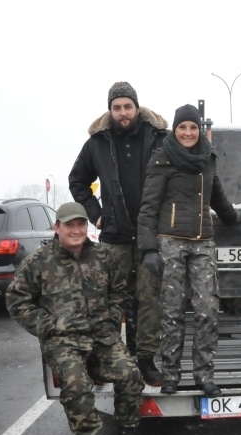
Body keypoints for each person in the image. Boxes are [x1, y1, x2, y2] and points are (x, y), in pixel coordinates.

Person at [5, 202, 149, 435]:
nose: (76, 230)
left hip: (101, 338)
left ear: (87, 227)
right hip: (64, 343)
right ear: (56, 227)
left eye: (80, 224)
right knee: (77, 387)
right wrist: (46, 326)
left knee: (131, 376)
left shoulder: (104, 256)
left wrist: (110, 318)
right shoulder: (39, 261)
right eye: (69, 225)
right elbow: (16, 300)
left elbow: (120, 291)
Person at [68, 81, 168, 387]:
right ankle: (110, 358)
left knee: (148, 299)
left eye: (127, 106)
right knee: (110, 300)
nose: (123, 113)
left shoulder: (159, 137)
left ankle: (146, 360)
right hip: (115, 235)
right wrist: (96, 214)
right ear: (109, 110)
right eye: (116, 107)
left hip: (151, 235)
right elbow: (77, 180)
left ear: (137, 107)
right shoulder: (97, 142)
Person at [137, 104, 239, 398]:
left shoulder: (208, 158)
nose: (188, 132)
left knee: (208, 309)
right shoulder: (163, 159)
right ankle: (170, 374)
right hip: (170, 241)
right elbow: (148, 206)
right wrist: (148, 249)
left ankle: (203, 375)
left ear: (199, 130)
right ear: (175, 130)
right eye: (183, 127)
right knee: (172, 312)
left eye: (192, 127)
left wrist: (237, 218)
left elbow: (216, 194)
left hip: (203, 242)